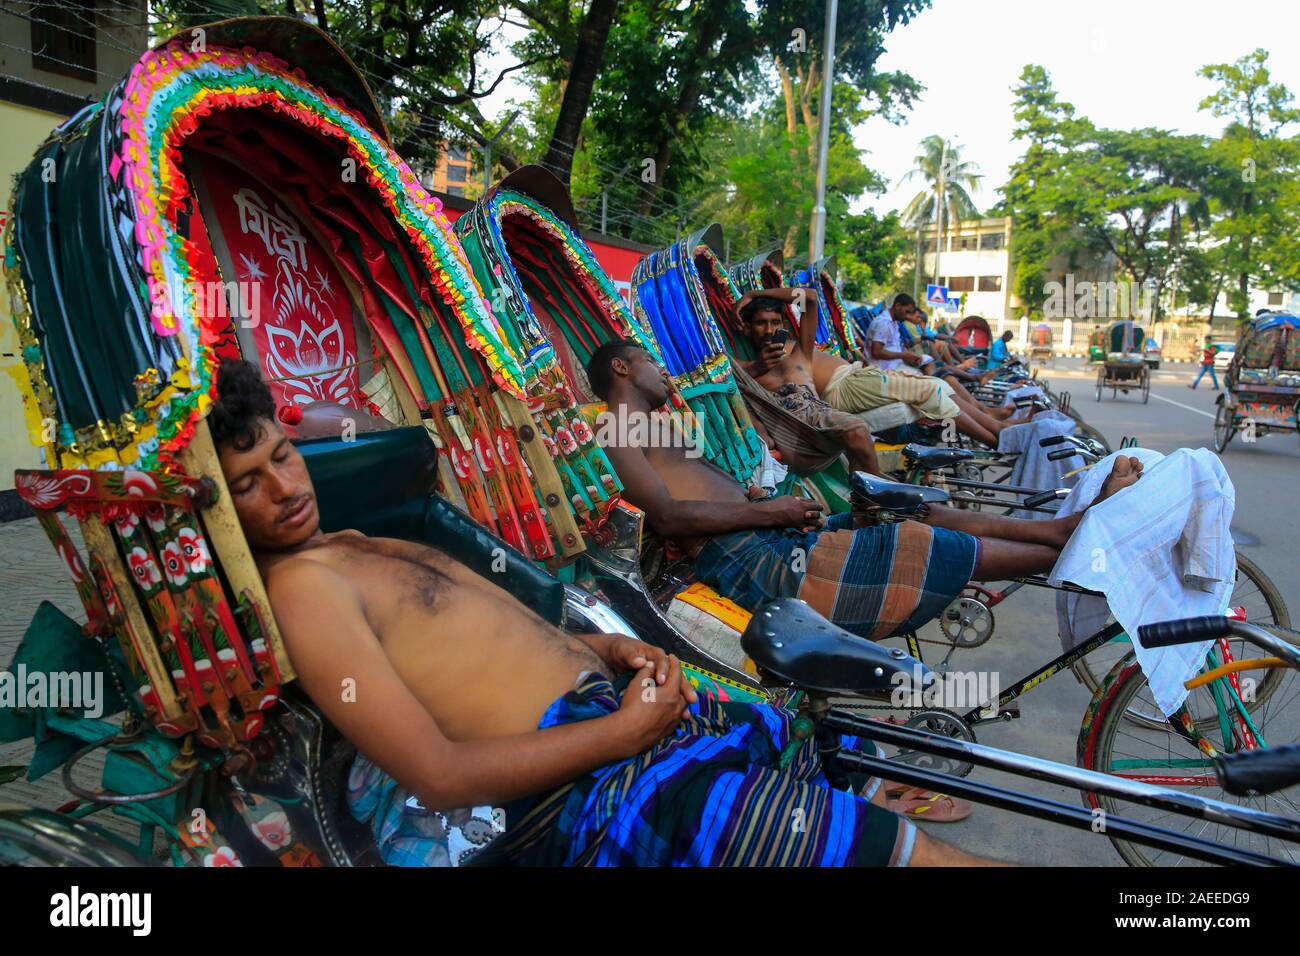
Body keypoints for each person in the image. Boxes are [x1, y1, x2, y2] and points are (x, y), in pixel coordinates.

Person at [210, 357, 992, 866]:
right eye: (248, 482)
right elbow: (440, 776)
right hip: (599, 766)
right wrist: (621, 730)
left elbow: (483, 636)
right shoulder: (304, 587)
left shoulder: (347, 540)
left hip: (620, 702)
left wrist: (596, 648)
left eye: (282, 456)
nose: (284, 486)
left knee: (819, 740)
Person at [588, 340, 1144, 647]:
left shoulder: (653, 427)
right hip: (750, 561)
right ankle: (1076, 552)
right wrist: (770, 509)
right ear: (622, 367)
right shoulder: (615, 427)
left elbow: (693, 493)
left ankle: (1060, 532)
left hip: (762, 533)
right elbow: (668, 515)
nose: (663, 372)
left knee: (911, 505)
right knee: (917, 542)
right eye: (650, 362)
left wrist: (759, 499)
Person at [738, 288, 882, 475]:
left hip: (821, 421)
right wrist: (757, 367)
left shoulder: (800, 354)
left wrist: (753, 294)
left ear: (784, 327)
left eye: (775, 322)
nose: (769, 330)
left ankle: (868, 498)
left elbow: (810, 297)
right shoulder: (742, 368)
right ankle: (877, 496)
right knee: (858, 430)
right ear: (747, 328)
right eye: (760, 323)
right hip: (793, 435)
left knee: (859, 433)